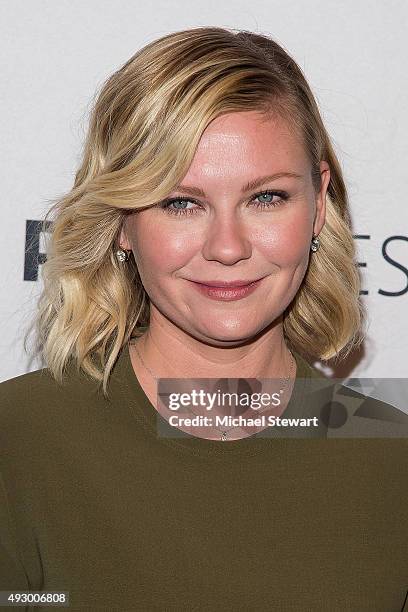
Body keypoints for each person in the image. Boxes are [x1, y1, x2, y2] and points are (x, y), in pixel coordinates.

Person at [1, 26, 407, 611]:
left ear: (319, 204)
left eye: (266, 197)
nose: (227, 246)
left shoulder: (392, 457)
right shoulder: (19, 440)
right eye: (180, 203)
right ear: (121, 220)